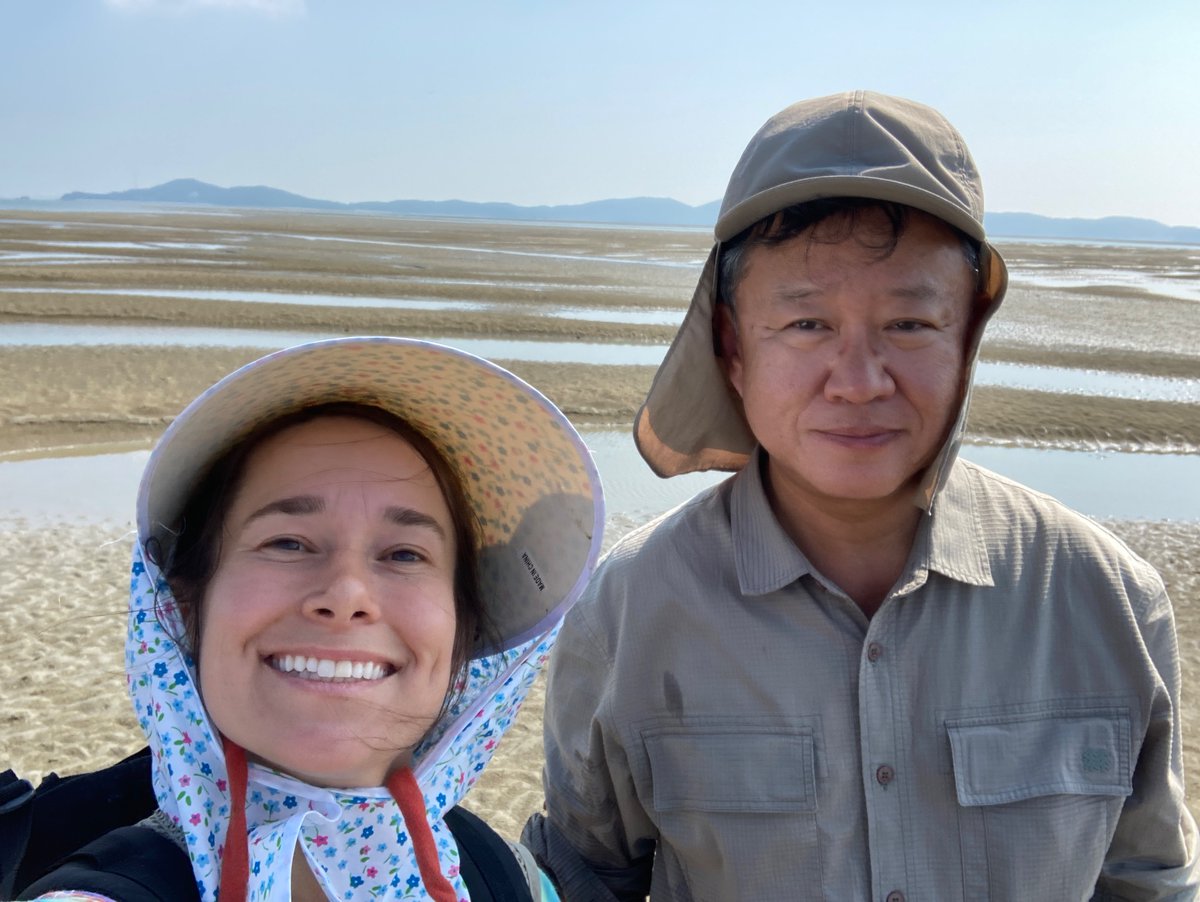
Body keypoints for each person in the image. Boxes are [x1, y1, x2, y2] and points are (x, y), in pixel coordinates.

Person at [524, 91, 1199, 899]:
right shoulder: (628, 611)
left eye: (909, 325)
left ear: (968, 338)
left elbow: (1150, 882)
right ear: (733, 350)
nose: (858, 381)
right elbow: (582, 880)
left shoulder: (1108, 598)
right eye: (806, 326)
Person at [15, 336, 604, 901]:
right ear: (187, 608)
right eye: (288, 542)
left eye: (404, 554)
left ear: (461, 630)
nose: (346, 593)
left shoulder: (508, 878)